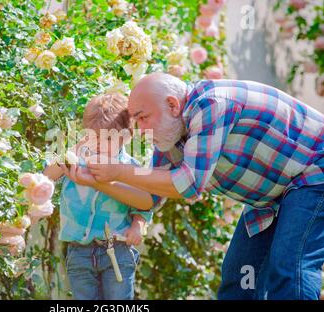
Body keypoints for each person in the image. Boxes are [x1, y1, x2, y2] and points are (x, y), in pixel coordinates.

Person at [78, 73, 324, 300]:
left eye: (143, 118)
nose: (141, 130)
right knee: (238, 277)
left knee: (290, 267)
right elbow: (150, 197)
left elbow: (189, 184)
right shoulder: (172, 137)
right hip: (272, 196)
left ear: (173, 105)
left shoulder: (211, 104)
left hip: (313, 173)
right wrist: (99, 181)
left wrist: (119, 170)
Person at [44, 93, 154, 300]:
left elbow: (145, 203)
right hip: (79, 252)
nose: (99, 144)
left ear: (126, 137)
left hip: (117, 250)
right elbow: (47, 176)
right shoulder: (75, 161)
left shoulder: (129, 168)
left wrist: (137, 224)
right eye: (94, 136)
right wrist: (73, 150)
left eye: (108, 139)